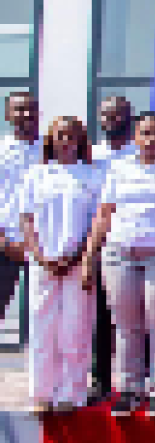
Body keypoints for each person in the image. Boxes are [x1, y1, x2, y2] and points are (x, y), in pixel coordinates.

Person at [80, 112, 155, 417]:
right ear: (134, 137)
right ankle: (129, 389)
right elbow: (104, 214)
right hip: (119, 254)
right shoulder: (119, 168)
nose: (150, 139)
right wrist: (90, 256)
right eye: (144, 133)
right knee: (125, 325)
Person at [18, 116, 100, 414]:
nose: (66, 141)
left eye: (72, 136)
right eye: (60, 135)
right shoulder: (36, 174)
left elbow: (98, 221)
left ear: (80, 140)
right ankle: (42, 394)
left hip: (79, 263)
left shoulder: (92, 175)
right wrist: (40, 256)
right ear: (51, 140)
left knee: (76, 327)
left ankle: (71, 393)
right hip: (44, 263)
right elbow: (26, 218)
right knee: (43, 327)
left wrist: (78, 255)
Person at [88, 94, 136, 404]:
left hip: (134, 245)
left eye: (117, 115)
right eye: (106, 115)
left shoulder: (140, 153)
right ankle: (100, 380)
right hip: (99, 244)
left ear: (129, 117)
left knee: (137, 317)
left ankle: (139, 381)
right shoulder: (90, 156)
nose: (111, 120)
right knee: (101, 317)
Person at [0, 92, 41, 339]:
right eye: (19, 109)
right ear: (7, 115)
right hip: (4, 244)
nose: (26, 114)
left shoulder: (52, 151)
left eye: (30, 109)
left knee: (46, 316)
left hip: (45, 247)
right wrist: (3, 241)